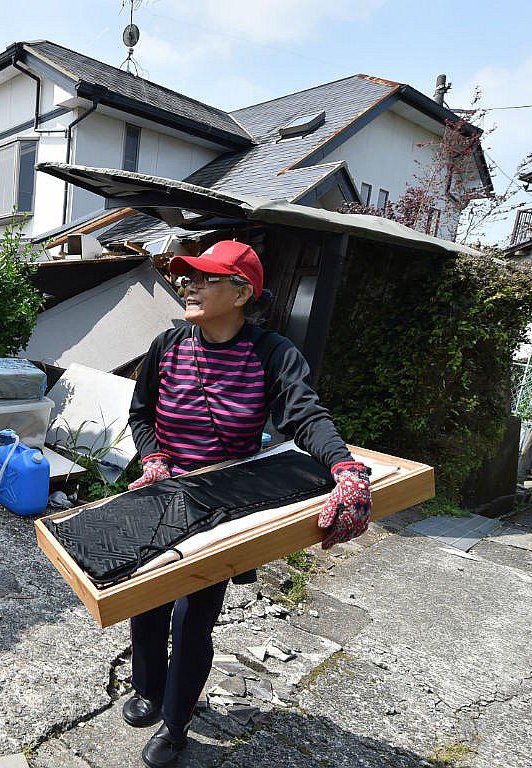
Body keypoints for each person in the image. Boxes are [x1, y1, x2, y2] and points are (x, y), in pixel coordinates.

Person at [123, 240, 372, 768]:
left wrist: (345, 468)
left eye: (203, 278)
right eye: (185, 276)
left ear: (241, 292)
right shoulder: (166, 346)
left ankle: (175, 722)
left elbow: (306, 416)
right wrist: (153, 459)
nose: (188, 284)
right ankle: (147, 685)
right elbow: (142, 415)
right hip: (164, 488)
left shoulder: (272, 354)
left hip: (223, 500)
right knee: (145, 602)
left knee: (194, 617)